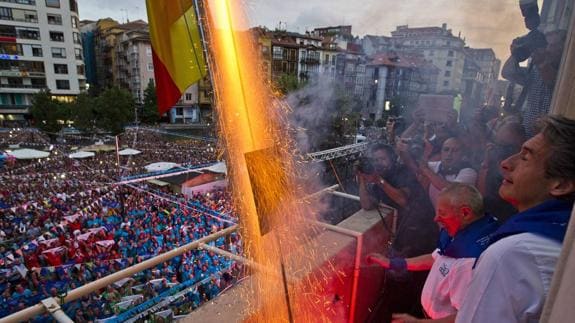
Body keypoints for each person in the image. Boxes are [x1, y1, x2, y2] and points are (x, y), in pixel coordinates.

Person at [456, 115, 575, 322]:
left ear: (560, 185)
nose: (505, 163)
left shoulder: (511, 255)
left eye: (525, 157)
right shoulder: (564, 237)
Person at [368, 183, 499, 323]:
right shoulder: (465, 232)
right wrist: (393, 264)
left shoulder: (469, 261)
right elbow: (437, 258)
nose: (435, 218)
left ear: (465, 213)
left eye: (442, 213)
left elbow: (466, 317)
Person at [358, 143, 437, 322]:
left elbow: (403, 199)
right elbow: (367, 204)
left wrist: (379, 180)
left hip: (422, 232)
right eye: (375, 160)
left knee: (416, 282)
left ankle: (413, 313)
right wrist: (363, 179)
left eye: (382, 159)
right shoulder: (380, 179)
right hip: (405, 233)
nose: (379, 163)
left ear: (392, 159)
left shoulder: (402, 172)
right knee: (399, 279)